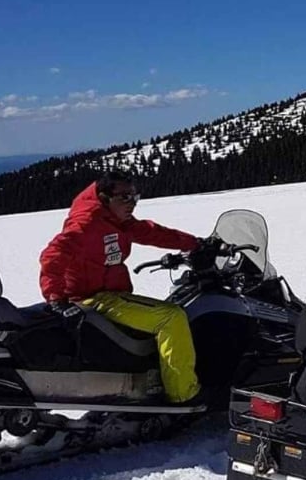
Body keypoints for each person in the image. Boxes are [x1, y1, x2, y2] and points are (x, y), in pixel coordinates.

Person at [39, 170, 206, 404]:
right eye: (124, 197)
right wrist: (56, 298)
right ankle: (183, 394)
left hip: (109, 294)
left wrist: (196, 243)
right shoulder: (88, 223)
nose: (132, 204)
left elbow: (151, 232)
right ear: (105, 197)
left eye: (135, 197)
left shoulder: (118, 221)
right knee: (171, 317)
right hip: (94, 298)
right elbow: (53, 255)